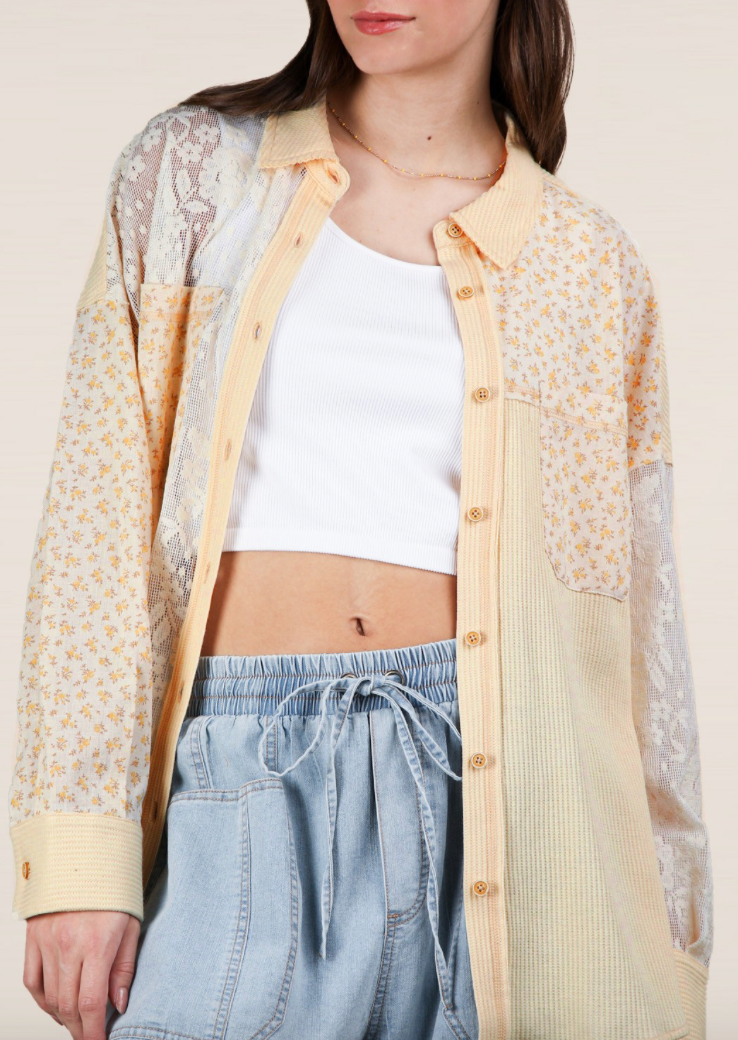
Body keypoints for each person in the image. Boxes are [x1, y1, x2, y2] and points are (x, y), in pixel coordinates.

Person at [9, 1, 714, 1039]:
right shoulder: (197, 176)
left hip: (503, 822)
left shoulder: (589, 264)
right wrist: (77, 853)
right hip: (243, 782)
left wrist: (674, 946)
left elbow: (638, 653)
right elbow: (95, 519)